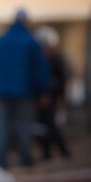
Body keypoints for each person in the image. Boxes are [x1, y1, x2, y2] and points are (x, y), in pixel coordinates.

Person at [0, 9, 50, 168]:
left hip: (0, 92)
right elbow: (40, 69)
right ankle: (25, 161)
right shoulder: (32, 42)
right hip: (25, 92)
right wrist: (43, 91)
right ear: (26, 22)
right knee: (25, 126)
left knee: (2, 127)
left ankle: (1, 162)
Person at [34, 25, 70, 160]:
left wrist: (50, 93)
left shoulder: (56, 59)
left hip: (52, 97)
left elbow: (62, 79)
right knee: (42, 126)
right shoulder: (40, 60)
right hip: (42, 98)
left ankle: (63, 150)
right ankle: (46, 153)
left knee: (53, 124)